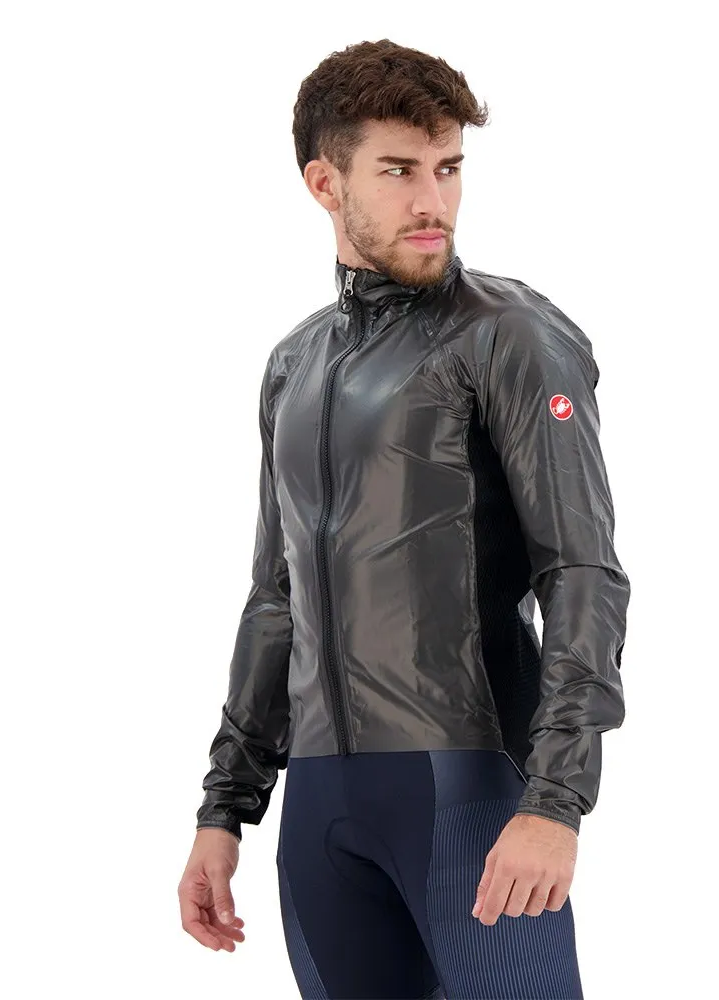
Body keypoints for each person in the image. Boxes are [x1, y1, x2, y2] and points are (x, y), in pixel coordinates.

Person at [177, 38, 630, 1000]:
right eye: (399, 171)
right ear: (324, 182)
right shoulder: (294, 366)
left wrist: (556, 800)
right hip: (321, 813)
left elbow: (583, 572)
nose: (434, 201)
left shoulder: (508, 336)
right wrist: (224, 810)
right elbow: (275, 598)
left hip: (469, 794)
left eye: (448, 168)